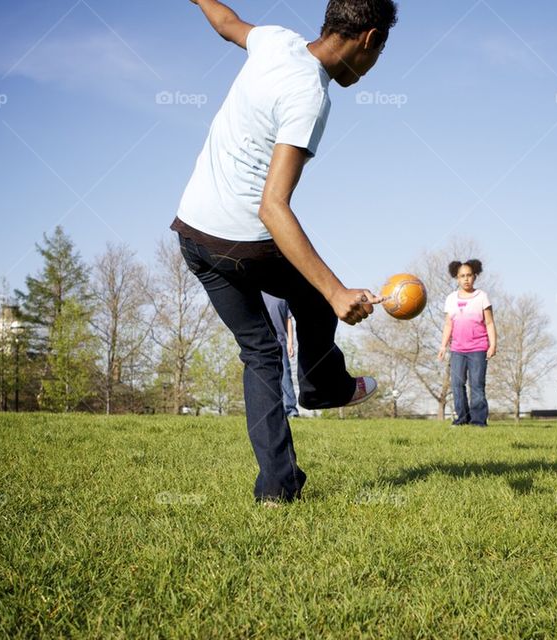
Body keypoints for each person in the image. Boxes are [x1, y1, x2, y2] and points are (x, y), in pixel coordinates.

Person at [170, 0, 398, 504]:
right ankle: (323, 389)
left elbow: (227, 23)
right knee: (317, 296)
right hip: (241, 239)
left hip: (192, 234)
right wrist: (337, 291)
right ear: (368, 39)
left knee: (259, 353)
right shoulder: (310, 97)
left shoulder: (275, 40)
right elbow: (273, 208)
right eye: (379, 54)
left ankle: (278, 488)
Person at [437, 259, 497, 426]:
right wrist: (443, 346)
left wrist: (493, 345)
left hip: (478, 348)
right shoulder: (451, 299)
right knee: (457, 384)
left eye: (469, 275)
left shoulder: (482, 297)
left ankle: (478, 421)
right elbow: (448, 324)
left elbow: (490, 323)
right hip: (457, 350)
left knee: (477, 384)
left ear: (475, 276)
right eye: (462, 276)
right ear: (457, 278)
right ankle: (462, 418)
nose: (466, 279)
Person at [261, 292, 300, 418]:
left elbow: (288, 320)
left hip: (281, 341)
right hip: (263, 342)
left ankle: (291, 410)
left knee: (285, 376)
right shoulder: (258, 293)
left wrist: (290, 342)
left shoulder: (283, 296)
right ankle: (269, 410)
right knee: (264, 376)